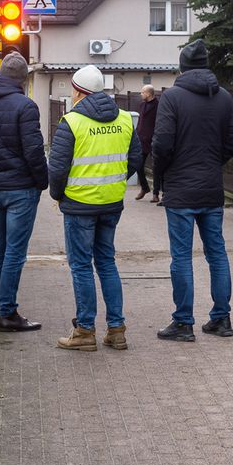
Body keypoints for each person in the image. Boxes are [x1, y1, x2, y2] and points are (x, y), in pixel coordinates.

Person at [152, 39, 233, 342]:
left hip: (180, 190)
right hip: (212, 188)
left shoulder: (172, 98)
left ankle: (183, 322)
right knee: (217, 254)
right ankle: (221, 319)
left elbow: (161, 144)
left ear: (182, 67)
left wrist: (163, 175)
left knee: (181, 257)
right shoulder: (225, 98)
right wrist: (212, 162)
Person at [49, 65, 142, 351]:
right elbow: (136, 158)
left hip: (79, 206)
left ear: (78, 91)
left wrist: (58, 195)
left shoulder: (72, 121)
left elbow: (57, 167)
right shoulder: (125, 119)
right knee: (106, 262)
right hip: (111, 204)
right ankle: (116, 329)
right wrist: (113, 183)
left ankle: (85, 331)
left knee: (81, 266)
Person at [0, 52, 49, 332]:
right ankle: (8, 313)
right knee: (15, 253)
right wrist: (42, 181)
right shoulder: (25, 106)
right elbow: (34, 151)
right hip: (21, 190)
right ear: (24, 79)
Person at [135, 85, 159, 202]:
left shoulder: (158, 106)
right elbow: (140, 122)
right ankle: (145, 188)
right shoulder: (142, 105)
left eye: (142, 92)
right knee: (138, 165)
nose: (141, 94)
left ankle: (156, 193)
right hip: (142, 140)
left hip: (154, 140)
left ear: (149, 93)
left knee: (157, 168)